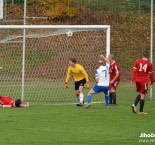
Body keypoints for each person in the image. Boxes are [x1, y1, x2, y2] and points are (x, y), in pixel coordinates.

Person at [131, 50, 153, 115]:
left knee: (141, 93)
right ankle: (141, 111)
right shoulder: (149, 64)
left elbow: (134, 71)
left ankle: (134, 105)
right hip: (144, 81)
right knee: (143, 95)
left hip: (137, 80)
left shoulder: (137, 61)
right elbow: (151, 75)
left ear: (142, 55)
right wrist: (152, 82)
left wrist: (132, 80)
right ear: (148, 56)